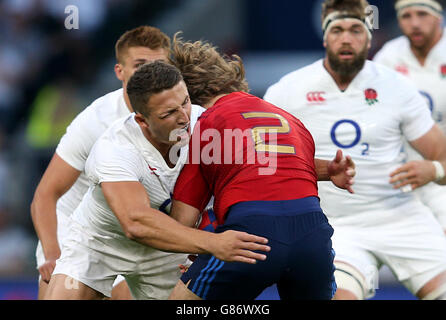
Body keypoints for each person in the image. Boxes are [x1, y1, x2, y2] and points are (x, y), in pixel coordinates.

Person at [264, 0, 446, 300]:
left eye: (355, 30)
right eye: (337, 30)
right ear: (325, 37)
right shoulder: (287, 91)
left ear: (368, 38)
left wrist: (434, 170)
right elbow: (264, 163)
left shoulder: (397, 87)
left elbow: (441, 155)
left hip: (403, 218)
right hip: (335, 227)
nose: (346, 38)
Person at [43, 61, 271, 300]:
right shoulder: (114, 149)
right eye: (169, 113)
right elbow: (136, 223)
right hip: (100, 243)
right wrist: (212, 243)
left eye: (185, 102)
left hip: (171, 247)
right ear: (142, 121)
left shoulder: (206, 123)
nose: (184, 117)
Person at [165, 34, 357, 300]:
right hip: (314, 236)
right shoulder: (290, 119)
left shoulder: (208, 121)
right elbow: (274, 167)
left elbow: (181, 222)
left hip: (252, 232)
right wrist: (328, 171)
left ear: (188, 96)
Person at [30, 25, 172, 300]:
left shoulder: (187, 116)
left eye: (158, 65)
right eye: (140, 65)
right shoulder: (95, 121)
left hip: (136, 232)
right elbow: (46, 194)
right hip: (76, 232)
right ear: (120, 71)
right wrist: (53, 256)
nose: (150, 74)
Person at [373, 0, 446, 232]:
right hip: (400, 174)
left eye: (422, 14)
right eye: (406, 16)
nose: (414, 23)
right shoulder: (388, 58)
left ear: (439, 17)